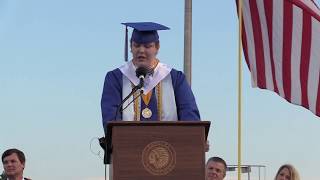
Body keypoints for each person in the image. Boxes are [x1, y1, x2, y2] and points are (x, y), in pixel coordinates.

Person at [101, 22, 200, 131]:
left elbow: (189, 114)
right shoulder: (116, 78)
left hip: (168, 147)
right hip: (129, 146)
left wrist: (194, 136)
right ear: (130, 46)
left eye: (147, 46)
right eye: (136, 45)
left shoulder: (175, 78)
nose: (141, 50)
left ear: (157, 47)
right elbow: (110, 118)